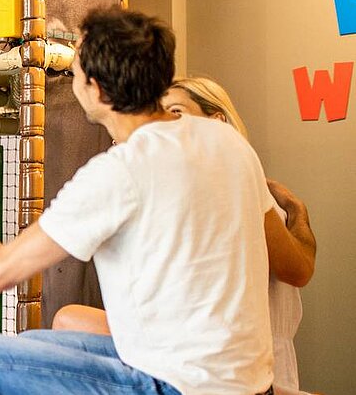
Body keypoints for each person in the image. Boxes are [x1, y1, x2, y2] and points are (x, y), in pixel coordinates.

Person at [0, 6, 298, 394]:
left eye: (75, 74)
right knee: (36, 343)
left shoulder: (120, 171)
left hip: (176, 386)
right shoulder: (228, 142)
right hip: (248, 384)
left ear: (98, 90)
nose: (73, 82)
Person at [54, 77, 317, 394]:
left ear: (216, 123)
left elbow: (298, 269)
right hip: (199, 361)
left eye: (176, 112)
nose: (164, 126)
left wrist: (297, 208)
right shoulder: (179, 190)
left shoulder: (237, 186)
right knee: (69, 322)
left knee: (69, 322)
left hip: (245, 373)